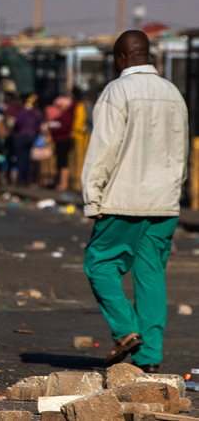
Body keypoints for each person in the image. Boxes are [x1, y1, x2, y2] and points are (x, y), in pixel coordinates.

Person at [82, 30, 187, 374]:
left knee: (99, 264)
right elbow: (181, 152)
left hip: (123, 200)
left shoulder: (117, 91)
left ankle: (126, 330)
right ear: (150, 55)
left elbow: (103, 150)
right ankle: (149, 356)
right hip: (164, 202)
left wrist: (92, 196)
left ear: (120, 59)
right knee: (151, 274)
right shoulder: (173, 93)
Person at [12, 94, 43, 186]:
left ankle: (21, 179)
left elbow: (17, 124)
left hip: (21, 136)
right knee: (27, 158)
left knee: (21, 158)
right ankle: (26, 179)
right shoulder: (36, 113)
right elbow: (39, 126)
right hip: (31, 137)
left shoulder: (21, 112)